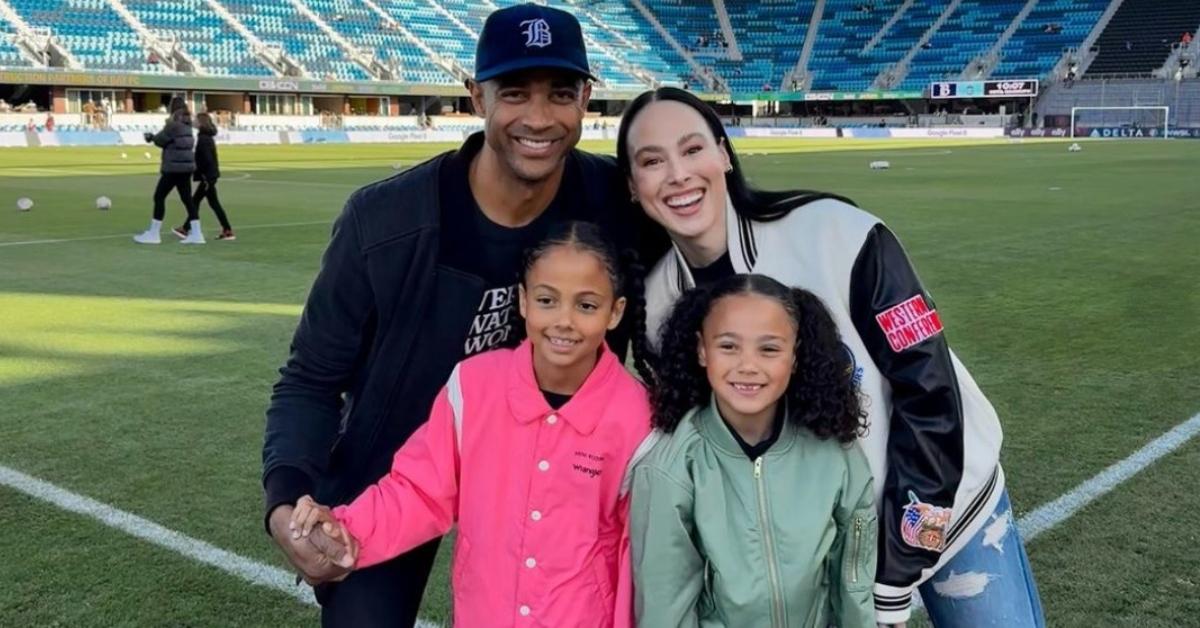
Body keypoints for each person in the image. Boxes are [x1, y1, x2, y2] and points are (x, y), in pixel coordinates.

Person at [261, 4, 652, 626]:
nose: (540, 118)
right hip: (392, 474)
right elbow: (310, 378)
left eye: (561, 93)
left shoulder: (617, 203)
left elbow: (709, 229)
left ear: (586, 98)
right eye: (514, 92)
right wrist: (287, 499)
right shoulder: (382, 222)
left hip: (547, 465)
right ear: (476, 97)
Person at [618, 87, 1043, 627]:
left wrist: (897, 568)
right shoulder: (658, 306)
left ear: (724, 154)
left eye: (693, 148)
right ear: (633, 187)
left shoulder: (837, 232)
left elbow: (930, 392)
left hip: (953, 509)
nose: (678, 174)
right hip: (830, 556)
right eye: (653, 161)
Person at [288, 222, 651, 628]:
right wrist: (346, 529)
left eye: (586, 305)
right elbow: (421, 490)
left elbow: (638, 551)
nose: (563, 321)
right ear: (523, 301)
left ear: (615, 311)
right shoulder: (474, 385)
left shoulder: (637, 416)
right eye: (547, 300)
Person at [631, 274, 876, 627]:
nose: (748, 365)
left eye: (769, 349)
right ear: (702, 350)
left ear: (795, 355)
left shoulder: (835, 455)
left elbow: (854, 584)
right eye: (728, 346)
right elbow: (665, 606)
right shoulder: (672, 467)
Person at [133, 96, 201, 244]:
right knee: (187, 200)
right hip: (186, 167)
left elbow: (160, 139)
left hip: (173, 167)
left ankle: (154, 233)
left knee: (159, 197)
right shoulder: (188, 124)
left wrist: (151, 137)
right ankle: (197, 234)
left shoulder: (173, 124)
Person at [175, 112, 235, 241]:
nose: (194, 122)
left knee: (196, 202)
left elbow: (206, 160)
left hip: (207, 177)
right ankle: (227, 229)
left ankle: (186, 229)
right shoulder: (206, 137)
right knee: (210, 203)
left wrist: (199, 170)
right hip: (209, 176)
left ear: (201, 123)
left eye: (196, 120)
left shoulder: (203, 138)